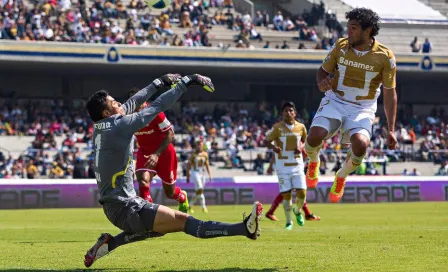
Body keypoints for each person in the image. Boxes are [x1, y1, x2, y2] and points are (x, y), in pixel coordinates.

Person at [84, 74, 262, 268]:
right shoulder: (120, 125)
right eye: (113, 102)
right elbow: (156, 107)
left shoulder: (105, 126)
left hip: (118, 206)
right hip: (125, 208)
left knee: (158, 228)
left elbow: (134, 101)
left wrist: (158, 82)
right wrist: (186, 83)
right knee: (183, 221)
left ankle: (108, 244)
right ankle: (245, 229)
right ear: (106, 113)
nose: (120, 103)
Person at [304, 8, 398, 203]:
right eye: (349, 27)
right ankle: (313, 162)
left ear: (368, 30)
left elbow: (390, 93)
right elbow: (321, 72)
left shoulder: (385, 56)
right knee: (314, 137)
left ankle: (341, 176)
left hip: (362, 107)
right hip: (336, 100)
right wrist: (322, 81)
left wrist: (391, 129)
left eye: (354, 28)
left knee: (361, 144)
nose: (349, 32)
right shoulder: (341, 46)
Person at [128, 88, 188, 213]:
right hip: (144, 151)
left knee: (170, 193)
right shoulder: (128, 116)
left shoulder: (154, 112)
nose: (138, 105)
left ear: (145, 102)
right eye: (135, 102)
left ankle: (182, 197)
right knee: (143, 181)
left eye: (140, 101)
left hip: (164, 153)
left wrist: (156, 154)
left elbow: (170, 134)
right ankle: (148, 216)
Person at [264, 101, 307, 230]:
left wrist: (301, 147)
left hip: (297, 165)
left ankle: (297, 211)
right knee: (286, 195)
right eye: (285, 111)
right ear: (282, 113)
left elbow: (305, 141)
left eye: (290, 110)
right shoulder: (277, 127)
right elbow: (266, 141)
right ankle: (289, 222)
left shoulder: (301, 127)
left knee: (302, 193)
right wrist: (273, 147)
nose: (288, 113)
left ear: (295, 113)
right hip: (282, 166)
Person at [265, 156, 321, 221]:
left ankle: (270, 212)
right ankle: (307, 214)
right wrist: (271, 165)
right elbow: (276, 152)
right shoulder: (295, 147)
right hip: (289, 170)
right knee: (293, 191)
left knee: (292, 191)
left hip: (293, 169)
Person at [186, 140, 212, 213]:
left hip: (202, 173)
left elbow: (207, 165)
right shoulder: (193, 155)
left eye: (201, 145)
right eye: (198, 145)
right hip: (195, 172)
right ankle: (204, 207)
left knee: (199, 191)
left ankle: (190, 205)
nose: (200, 146)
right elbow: (188, 166)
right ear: (196, 146)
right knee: (200, 188)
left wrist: (210, 175)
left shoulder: (205, 154)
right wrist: (188, 176)